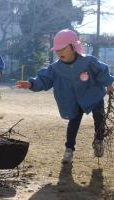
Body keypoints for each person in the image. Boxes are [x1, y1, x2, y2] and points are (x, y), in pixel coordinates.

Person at [16, 29, 114, 163]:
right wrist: (31, 84)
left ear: (73, 46)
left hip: (93, 95)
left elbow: (102, 71)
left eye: (63, 48)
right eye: (57, 49)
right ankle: (69, 150)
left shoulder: (88, 61)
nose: (59, 52)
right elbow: (44, 79)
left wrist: (108, 83)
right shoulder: (55, 68)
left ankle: (98, 141)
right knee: (73, 123)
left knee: (99, 117)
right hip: (74, 100)